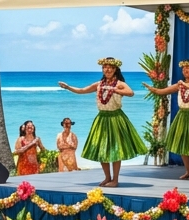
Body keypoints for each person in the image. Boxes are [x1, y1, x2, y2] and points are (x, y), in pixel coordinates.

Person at [59, 58, 144, 188]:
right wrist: (68, 87)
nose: (107, 69)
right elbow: (82, 90)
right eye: (105, 67)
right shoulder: (99, 84)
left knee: (116, 150)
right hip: (102, 119)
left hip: (116, 119)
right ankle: (107, 177)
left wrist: (116, 90)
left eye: (110, 67)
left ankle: (115, 180)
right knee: (102, 149)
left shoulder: (119, 83)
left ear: (115, 69)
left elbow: (131, 93)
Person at [145, 60, 189, 180]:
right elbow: (162, 91)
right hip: (182, 116)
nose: (186, 71)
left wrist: (188, 85)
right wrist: (152, 89)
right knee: (183, 145)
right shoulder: (179, 85)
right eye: (184, 69)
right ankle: (187, 171)